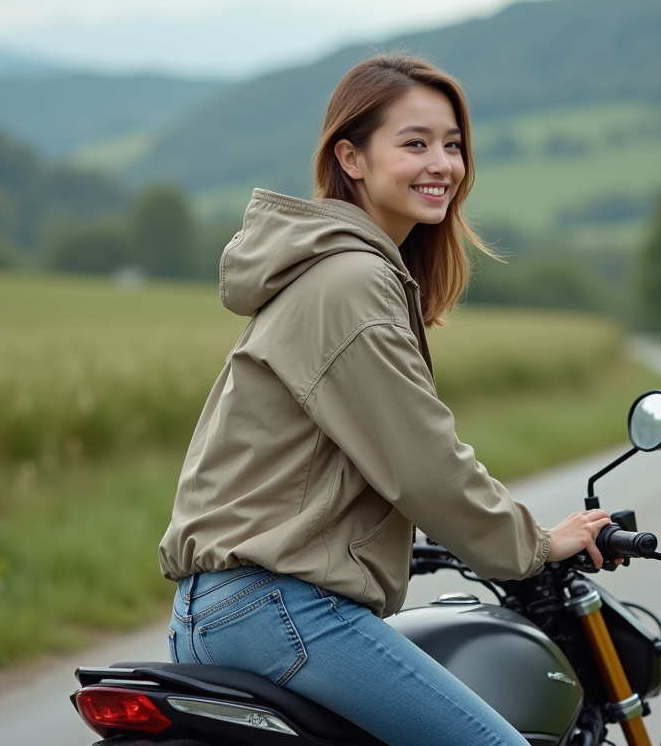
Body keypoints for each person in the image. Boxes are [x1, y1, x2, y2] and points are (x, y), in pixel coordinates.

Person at [158, 54, 612, 746]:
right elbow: (422, 462)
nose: (442, 164)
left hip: (217, 610)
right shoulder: (352, 281)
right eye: (415, 143)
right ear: (352, 158)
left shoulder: (320, 273)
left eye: (453, 145)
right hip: (282, 611)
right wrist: (536, 544)